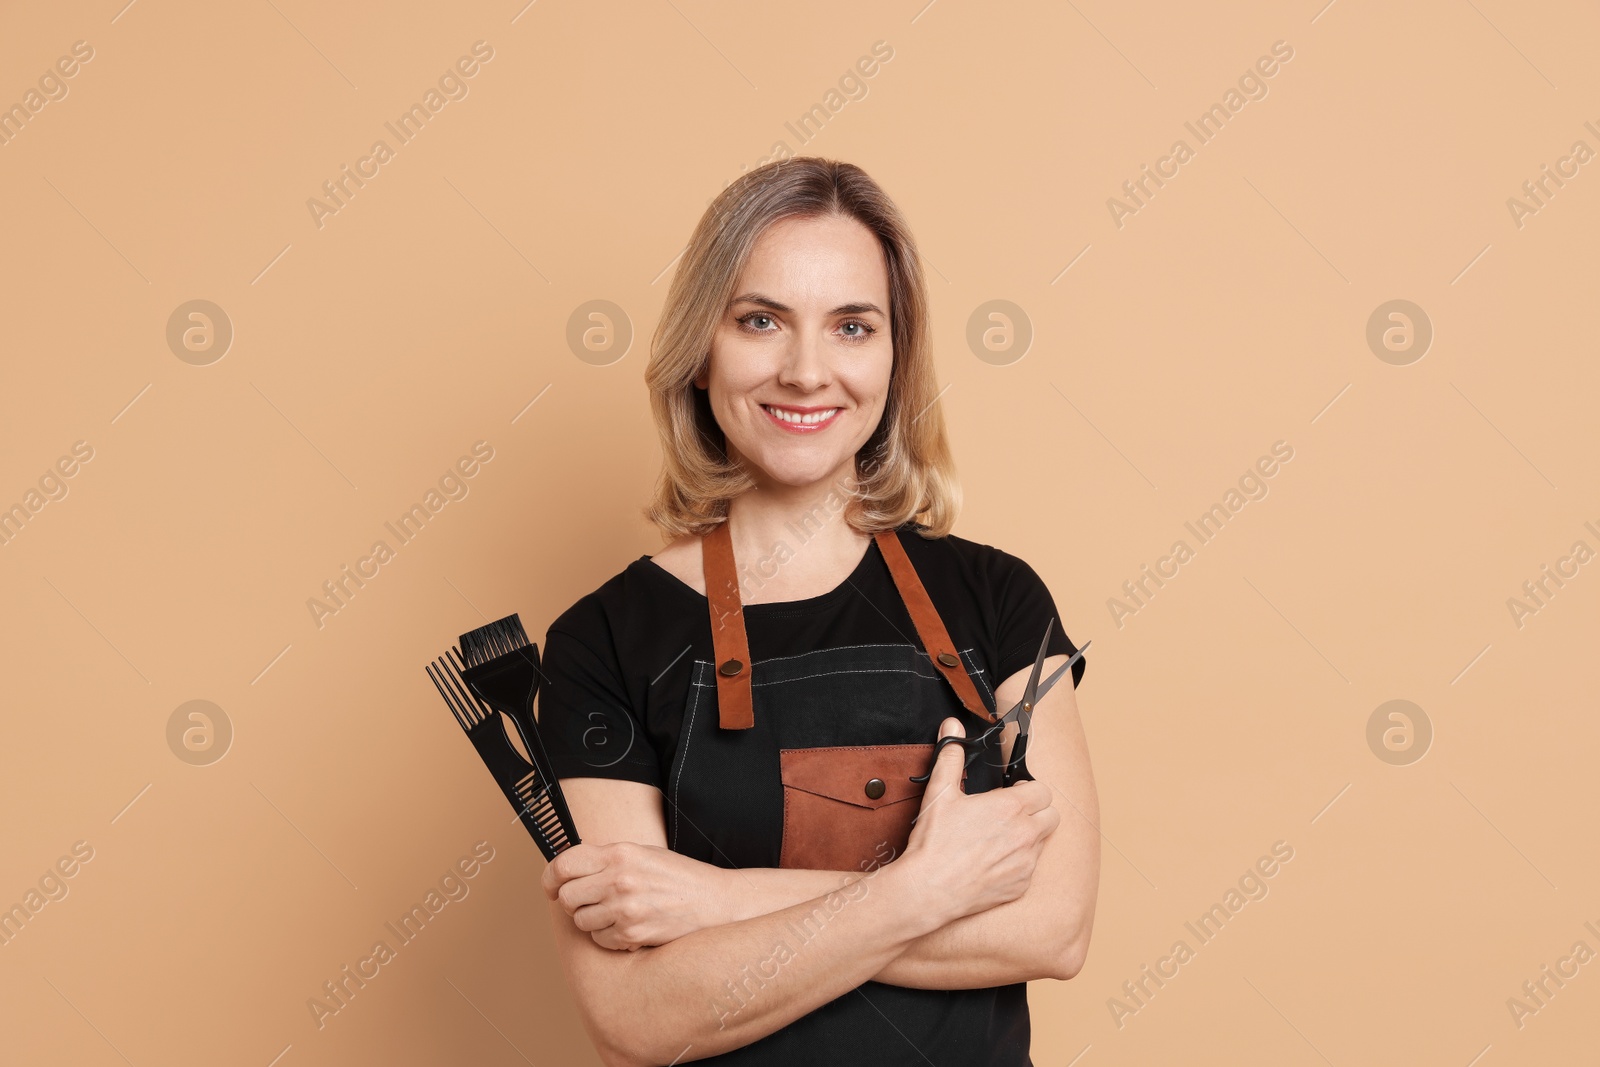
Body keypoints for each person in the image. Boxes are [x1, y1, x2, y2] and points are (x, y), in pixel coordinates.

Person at [535, 156, 1099, 1066]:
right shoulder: (601, 642)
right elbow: (639, 1016)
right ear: (701, 347)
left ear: (893, 356)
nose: (807, 372)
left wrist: (715, 900)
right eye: (760, 320)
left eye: (851, 325)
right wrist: (927, 892)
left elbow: (1052, 928)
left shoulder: (998, 601)